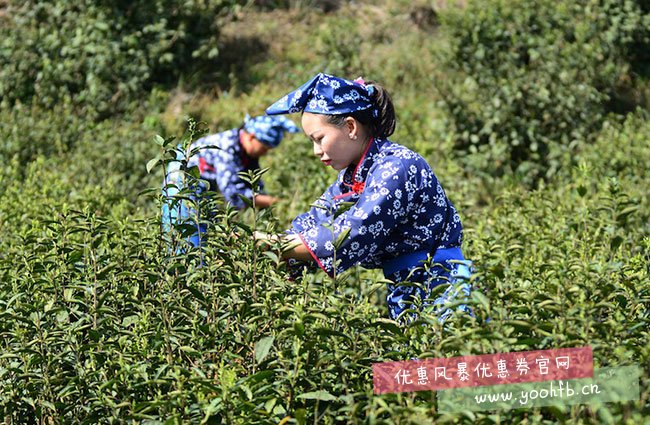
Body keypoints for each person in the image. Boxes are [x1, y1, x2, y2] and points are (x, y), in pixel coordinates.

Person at [256, 73, 473, 323]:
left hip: (440, 284)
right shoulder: (352, 177)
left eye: (319, 139)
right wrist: (261, 246)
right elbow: (315, 221)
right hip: (405, 288)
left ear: (350, 127)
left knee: (448, 359)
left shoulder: (396, 167)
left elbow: (353, 232)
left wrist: (275, 245)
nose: (316, 151)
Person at [162, 114, 299, 248]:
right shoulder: (228, 147)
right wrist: (274, 202)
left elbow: (253, 186)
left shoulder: (244, 151)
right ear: (251, 137)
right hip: (183, 179)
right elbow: (233, 192)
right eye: (264, 148)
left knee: (208, 231)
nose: (265, 153)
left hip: (203, 187)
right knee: (188, 233)